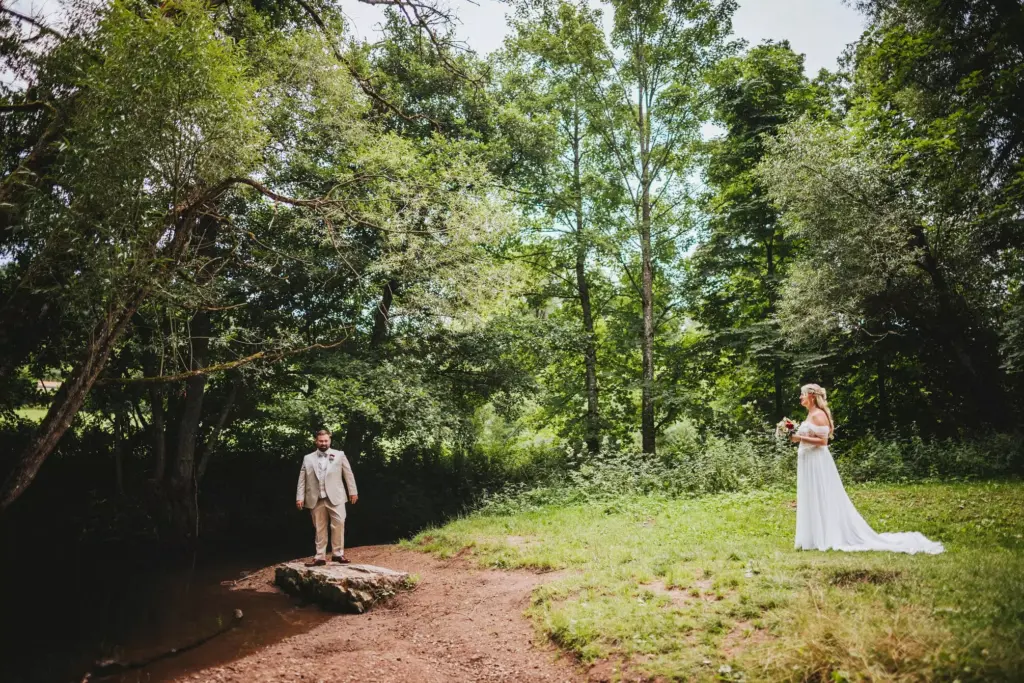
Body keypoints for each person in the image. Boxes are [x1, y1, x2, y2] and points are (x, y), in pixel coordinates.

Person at [792, 384, 943, 554]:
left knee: (821, 494)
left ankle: (825, 536)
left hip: (817, 462)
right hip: (808, 461)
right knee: (811, 495)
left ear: (811, 396)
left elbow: (823, 442)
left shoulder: (819, 415)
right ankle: (813, 537)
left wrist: (799, 438)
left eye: (802, 394)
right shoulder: (810, 414)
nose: (800, 397)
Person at [296, 429, 358, 566]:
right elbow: (302, 479)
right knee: (319, 527)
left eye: (326, 440)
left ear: (329, 440)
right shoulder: (308, 458)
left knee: (339, 524)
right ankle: (320, 557)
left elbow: (348, 474)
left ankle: (338, 554)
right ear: (316, 441)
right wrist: (299, 497)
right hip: (315, 497)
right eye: (321, 441)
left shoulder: (339, 455)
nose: (323, 443)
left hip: (336, 496)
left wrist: (353, 491)